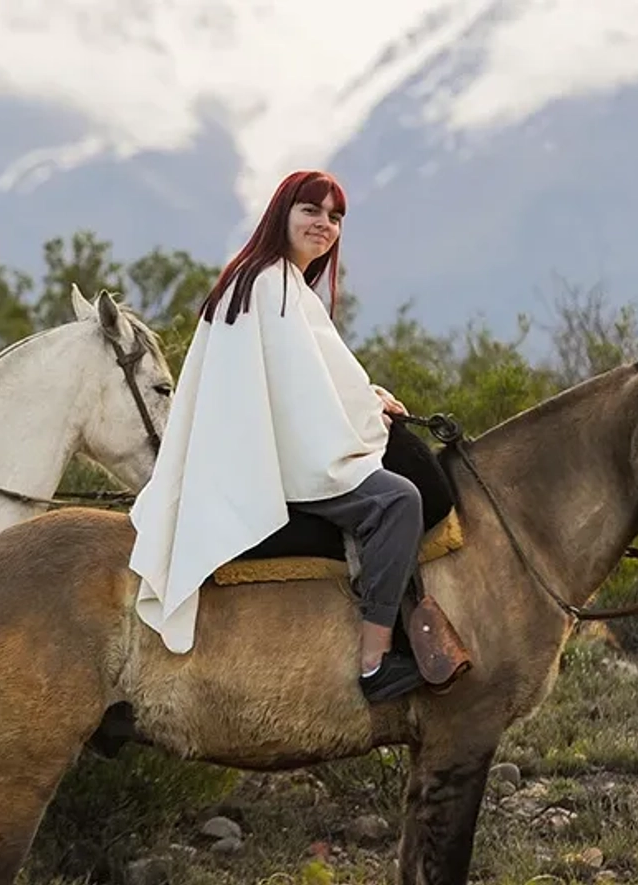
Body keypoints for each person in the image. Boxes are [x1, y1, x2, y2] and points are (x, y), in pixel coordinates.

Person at [126, 170, 425, 703]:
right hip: (285, 458)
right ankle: (376, 661)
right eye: (312, 210)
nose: (324, 224)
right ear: (282, 213)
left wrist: (369, 397)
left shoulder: (277, 281)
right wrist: (366, 414)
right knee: (399, 500)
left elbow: (312, 377)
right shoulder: (269, 283)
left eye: (335, 217)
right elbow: (298, 394)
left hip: (280, 444)